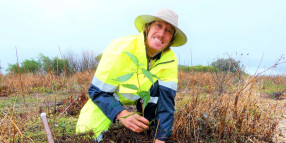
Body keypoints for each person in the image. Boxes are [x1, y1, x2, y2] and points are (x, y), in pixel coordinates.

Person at [76, 9, 187, 142]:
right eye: (158, 25)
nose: (162, 33)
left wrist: (160, 139)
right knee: (89, 136)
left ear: (171, 40)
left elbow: (166, 105)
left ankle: (145, 127)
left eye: (168, 31)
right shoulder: (120, 48)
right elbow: (97, 92)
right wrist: (122, 114)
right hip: (106, 102)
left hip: (141, 108)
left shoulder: (170, 60)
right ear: (147, 27)